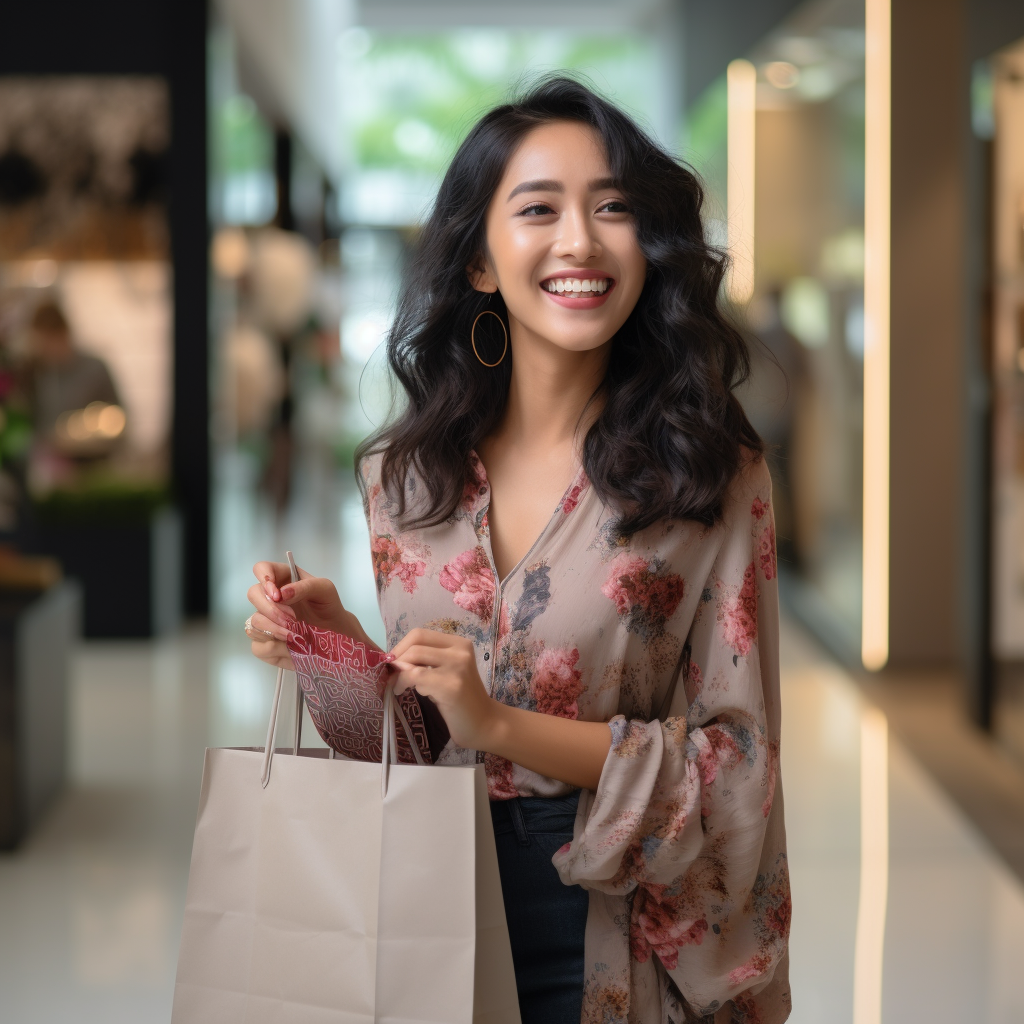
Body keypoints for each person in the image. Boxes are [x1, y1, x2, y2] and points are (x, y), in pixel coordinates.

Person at [246, 77, 791, 1024]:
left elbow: (736, 770)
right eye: (539, 209)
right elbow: (417, 746)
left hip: (618, 927)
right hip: (423, 913)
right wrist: (338, 649)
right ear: (481, 263)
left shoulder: (709, 474)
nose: (579, 240)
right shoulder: (404, 479)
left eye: (612, 207)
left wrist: (501, 725)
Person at [24, 299, 120, 439]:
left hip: (93, 453)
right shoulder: (40, 373)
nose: (43, 350)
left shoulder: (95, 369)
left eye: (48, 342)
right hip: (51, 454)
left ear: (63, 334)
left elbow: (117, 414)